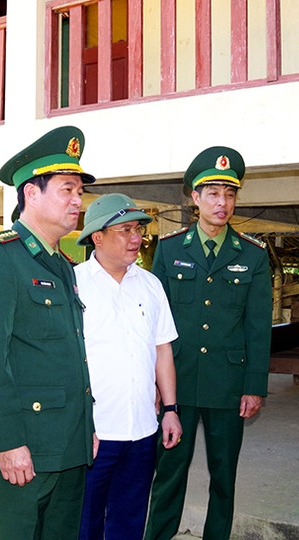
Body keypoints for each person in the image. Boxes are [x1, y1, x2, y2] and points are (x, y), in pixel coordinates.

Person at [0, 125, 97, 540]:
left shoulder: (62, 264)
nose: (78, 200)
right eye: (67, 189)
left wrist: (86, 427)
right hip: (25, 450)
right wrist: (6, 440)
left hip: (69, 446)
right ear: (31, 194)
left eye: (79, 191)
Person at [145, 146, 272, 540]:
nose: (223, 203)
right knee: (169, 474)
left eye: (230, 194)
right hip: (178, 383)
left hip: (227, 385)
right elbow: (155, 324)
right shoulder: (168, 249)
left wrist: (254, 387)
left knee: (223, 476)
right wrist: (154, 383)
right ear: (195, 198)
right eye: (213, 194)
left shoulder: (252, 256)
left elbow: (257, 327)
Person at [74, 193, 182, 540]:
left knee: (129, 523)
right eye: (125, 230)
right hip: (94, 434)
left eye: (138, 229)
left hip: (141, 432)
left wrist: (170, 408)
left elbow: (162, 349)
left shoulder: (150, 285)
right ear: (97, 237)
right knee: (84, 523)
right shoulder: (74, 284)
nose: (136, 238)